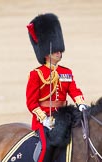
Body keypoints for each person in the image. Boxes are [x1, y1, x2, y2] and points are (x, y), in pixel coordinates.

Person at [26, 13, 87, 162]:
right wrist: (44, 119)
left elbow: (74, 90)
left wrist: (81, 104)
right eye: (56, 50)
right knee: (46, 147)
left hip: (64, 115)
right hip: (44, 120)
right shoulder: (36, 74)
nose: (60, 53)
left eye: (60, 50)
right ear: (46, 53)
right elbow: (31, 103)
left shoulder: (66, 72)